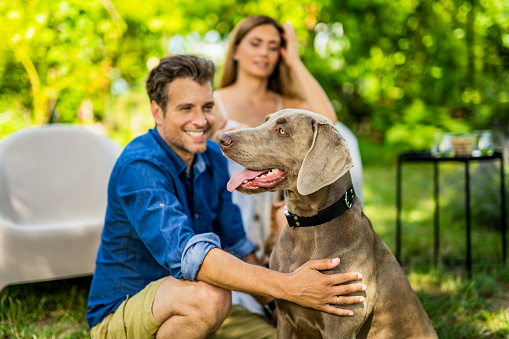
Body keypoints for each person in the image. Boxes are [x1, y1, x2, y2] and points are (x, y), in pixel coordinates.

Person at [86, 54, 366, 339]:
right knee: (211, 298)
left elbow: (237, 243)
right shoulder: (140, 167)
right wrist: (289, 286)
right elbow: (190, 258)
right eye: (186, 108)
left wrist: (274, 306)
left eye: (207, 107)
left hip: (196, 304)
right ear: (157, 112)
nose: (201, 120)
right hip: (126, 311)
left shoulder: (211, 160)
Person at [212, 15, 364, 280]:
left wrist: (294, 60)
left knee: (348, 137)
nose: (264, 53)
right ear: (235, 48)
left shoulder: (286, 102)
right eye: (256, 43)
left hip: (284, 206)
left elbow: (329, 118)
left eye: (273, 47)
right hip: (238, 209)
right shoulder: (215, 103)